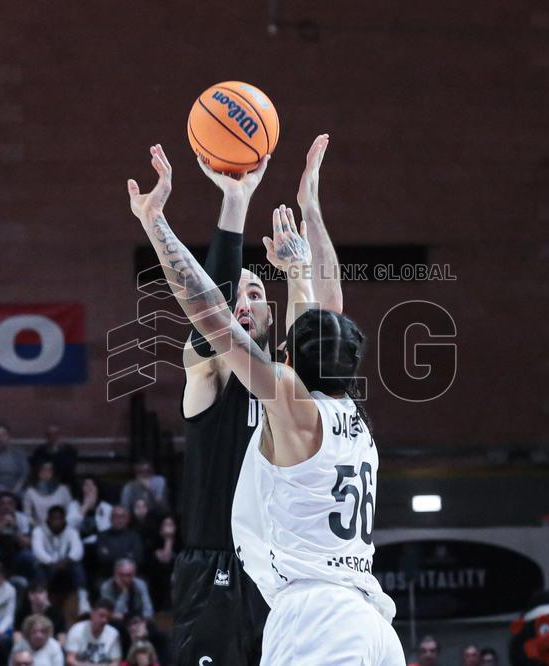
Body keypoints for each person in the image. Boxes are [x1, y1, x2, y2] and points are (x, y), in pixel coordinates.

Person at [128, 144, 403, 664]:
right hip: (295, 590)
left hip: (306, 600)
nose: (242, 301)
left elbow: (211, 307)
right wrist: (301, 210)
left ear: (280, 330)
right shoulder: (336, 401)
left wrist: (155, 224)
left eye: (257, 293)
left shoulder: (289, 395)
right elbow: (324, 306)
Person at [164, 136, 339, 665]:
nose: (245, 301)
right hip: (212, 565)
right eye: (235, 293)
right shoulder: (208, 371)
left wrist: (305, 237)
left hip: (281, 572)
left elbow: (321, 317)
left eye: (257, 293)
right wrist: (235, 201)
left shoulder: (290, 381)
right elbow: (206, 309)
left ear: (270, 316)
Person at [30, 506, 89, 614]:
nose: (56, 522)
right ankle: (43, 599)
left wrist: (66, 560)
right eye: (54, 518)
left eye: (59, 518)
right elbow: (38, 551)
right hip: (47, 567)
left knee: (77, 566)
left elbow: (78, 551)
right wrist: (51, 562)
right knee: (38, 567)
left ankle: (83, 600)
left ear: (64, 519)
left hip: (65, 566)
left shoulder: (71, 531)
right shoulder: (38, 531)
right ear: (48, 519)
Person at [64, 598, 122, 666]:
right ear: (92, 613)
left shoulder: (113, 634)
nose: (105, 620)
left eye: (108, 618)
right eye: (101, 616)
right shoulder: (77, 630)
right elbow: (70, 659)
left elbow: (116, 662)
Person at [93, 506, 143, 581]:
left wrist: (111, 554)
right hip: (107, 576)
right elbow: (102, 558)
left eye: (122, 516)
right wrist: (126, 555)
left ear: (127, 519)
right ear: (110, 519)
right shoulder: (102, 536)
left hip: (130, 576)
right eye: (116, 516)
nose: (119, 519)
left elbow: (137, 558)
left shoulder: (134, 536)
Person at [0, 423, 29, 500]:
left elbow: (25, 473)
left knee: (25, 497)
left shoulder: (18, 453)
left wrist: (17, 487)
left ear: (9, 436)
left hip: (17, 488)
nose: (1, 438)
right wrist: (2, 489)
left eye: (3, 434)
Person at [23, 461, 72, 528]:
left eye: (49, 470)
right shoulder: (30, 492)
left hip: (60, 529)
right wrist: (35, 527)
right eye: (44, 469)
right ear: (38, 471)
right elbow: (27, 515)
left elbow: (70, 512)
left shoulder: (63, 490)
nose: (46, 472)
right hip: (38, 529)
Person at [66, 477, 112, 546]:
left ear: (97, 489)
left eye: (93, 485)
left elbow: (106, 530)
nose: (90, 487)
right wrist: (85, 506)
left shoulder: (106, 507)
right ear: (82, 488)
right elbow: (69, 526)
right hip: (77, 544)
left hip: (99, 545)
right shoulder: (73, 505)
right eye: (86, 485)